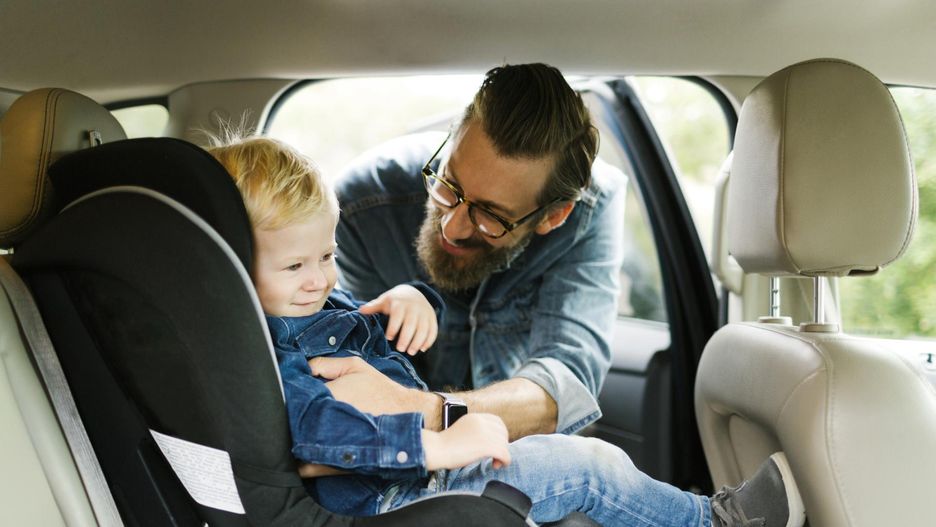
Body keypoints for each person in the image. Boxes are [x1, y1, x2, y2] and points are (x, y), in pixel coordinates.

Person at [207, 135, 806, 527]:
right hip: (396, 492)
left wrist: (412, 299)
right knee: (588, 468)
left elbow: (360, 330)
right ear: (233, 264)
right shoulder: (271, 348)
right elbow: (315, 435)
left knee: (586, 467)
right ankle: (715, 522)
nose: (318, 280)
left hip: (415, 473)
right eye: (295, 266)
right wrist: (434, 445)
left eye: (327, 256)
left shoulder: (307, 305)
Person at [331, 63, 624, 440]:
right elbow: (360, 360)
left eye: (491, 215)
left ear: (553, 216)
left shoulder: (589, 213)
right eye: (449, 184)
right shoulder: (363, 205)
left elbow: (565, 382)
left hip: (518, 447)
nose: (451, 227)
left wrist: (432, 412)